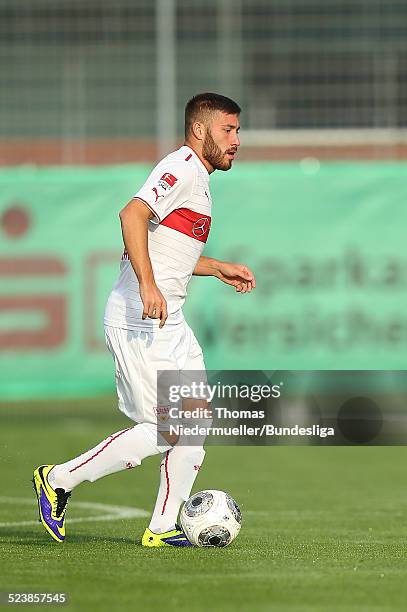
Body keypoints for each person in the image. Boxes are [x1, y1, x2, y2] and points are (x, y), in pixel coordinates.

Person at [32, 92, 256, 547]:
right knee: (167, 429)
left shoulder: (201, 178)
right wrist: (148, 285)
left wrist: (215, 267)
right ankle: (57, 479)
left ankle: (162, 527)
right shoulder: (182, 167)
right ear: (200, 130)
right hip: (139, 317)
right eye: (227, 130)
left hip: (170, 321)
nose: (236, 140)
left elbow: (167, 248)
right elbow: (132, 214)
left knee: (194, 425)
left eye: (237, 130)